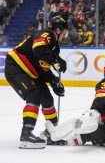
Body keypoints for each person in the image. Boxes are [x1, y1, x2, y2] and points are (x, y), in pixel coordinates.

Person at [4, 15, 68, 149]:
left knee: (47, 98)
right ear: (57, 29)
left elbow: (43, 68)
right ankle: (26, 135)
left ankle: (51, 133)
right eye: (64, 31)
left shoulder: (54, 48)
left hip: (32, 72)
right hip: (16, 66)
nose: (64, 35)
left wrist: (54, 82)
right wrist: (55, 60)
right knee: (34, 94)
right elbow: (38, 49)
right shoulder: (47, 33)